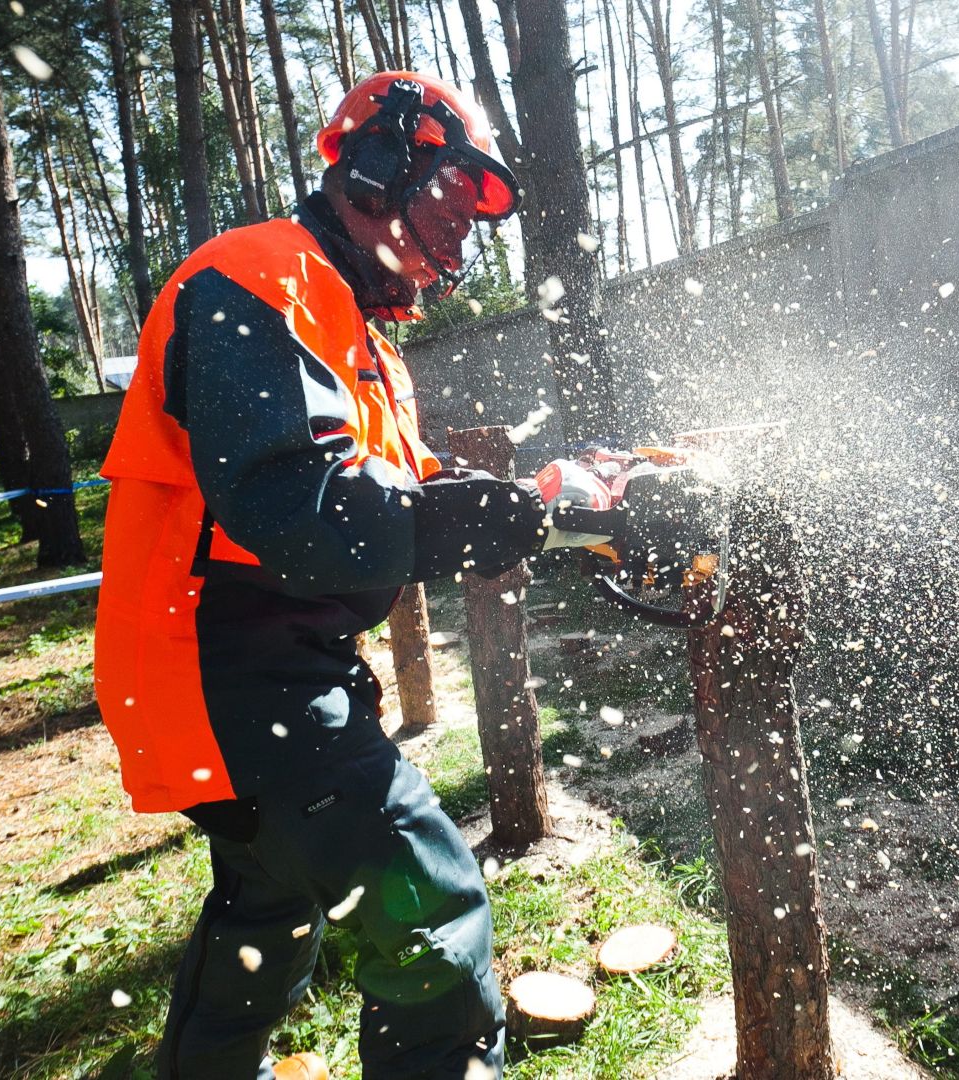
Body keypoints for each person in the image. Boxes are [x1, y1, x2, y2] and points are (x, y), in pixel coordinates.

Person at [93, 71, 595, 1080]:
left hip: (257, 661)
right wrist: (473, 517)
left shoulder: (354, 333)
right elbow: (293, 500)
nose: (461, 234)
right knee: (431, 911)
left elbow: (403, 491)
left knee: (265, 911)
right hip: (230, 663)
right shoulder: (261, 276)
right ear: (374, 166)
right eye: (451, 197)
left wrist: (540, 496)